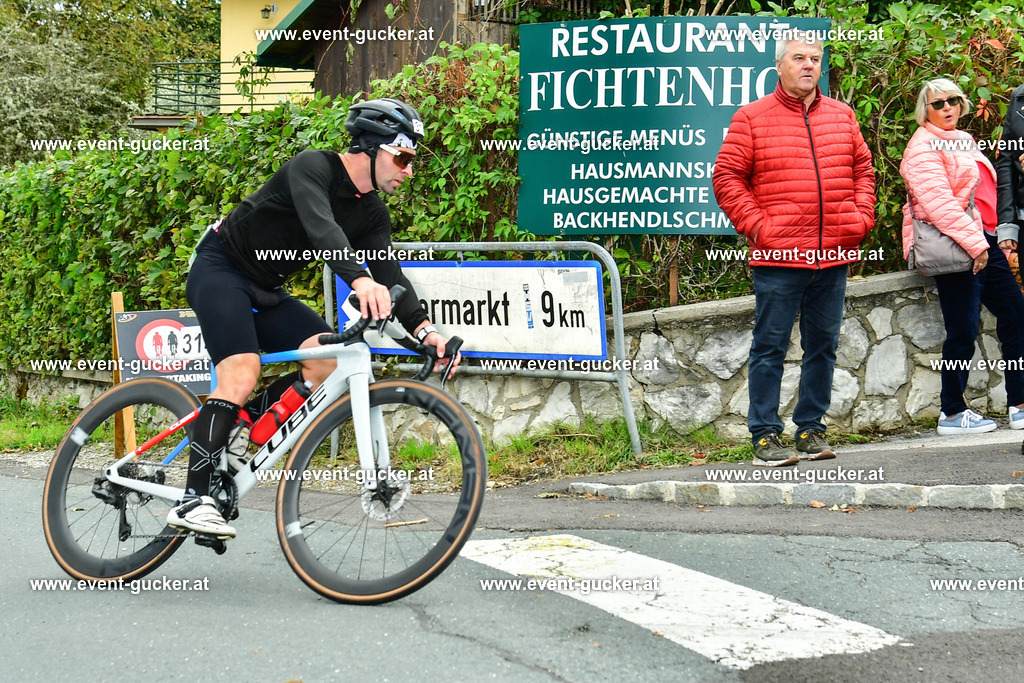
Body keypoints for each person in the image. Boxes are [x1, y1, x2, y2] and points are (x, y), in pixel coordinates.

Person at [167, 98, 458, 538]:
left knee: (327, 362)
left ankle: (242, 428)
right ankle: (193, 498)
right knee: (241, 372)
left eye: (412, 160)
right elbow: (324, 229)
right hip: (220, 268)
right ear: (373, 147)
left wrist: (426, 331)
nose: (408, 170)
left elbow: (389, 272)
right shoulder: (312, 167)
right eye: (402, 157)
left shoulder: (372, 211)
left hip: (266, 289)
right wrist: (359, 282)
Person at [713, 30, 875, 466]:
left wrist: (859, 219)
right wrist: (760, 228)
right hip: (779, 256)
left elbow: (864, 170)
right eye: (799, 58)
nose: (808, 65)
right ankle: (765, 435)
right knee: (770, 347)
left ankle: (811, 429)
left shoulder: (842, 116)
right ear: (780, 67)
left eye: (815, 59)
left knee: (823, 346)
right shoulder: (752, 117)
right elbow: (726, 178)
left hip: (833, 254)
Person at [900, 78, 1024, 436]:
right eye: (937, 103)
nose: (947, 108)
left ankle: (1019, 404)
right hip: (957, 248)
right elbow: (939, 205)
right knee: (962, 331)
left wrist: (996, 236)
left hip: (984, 242)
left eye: (953, 100)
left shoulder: (963, 140)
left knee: (1016, 315)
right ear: (925, 110)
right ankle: (951, 413)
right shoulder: (922, 148)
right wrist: (977, 245)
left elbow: (983, 192)